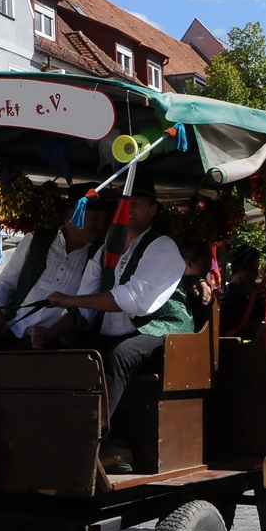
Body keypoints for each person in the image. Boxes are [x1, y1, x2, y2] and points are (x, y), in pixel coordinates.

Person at [43, 175, 190, 474]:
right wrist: (49, 333)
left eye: (137, 204)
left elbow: (134, 299)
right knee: (71, 354)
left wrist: (71, 301)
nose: (130, 210)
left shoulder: (161, 247)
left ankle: (98, 444)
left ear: (153, 210)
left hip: (165, 331)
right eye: (125, 205)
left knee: (119, 356)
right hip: (119, 333)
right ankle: (65, 434)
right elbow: (85, 301)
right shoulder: (106, 249)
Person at [0, 197, 109, 348]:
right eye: (95, 218)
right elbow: (5, 282)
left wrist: (51, 333)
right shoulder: (36, 239)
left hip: (56, 341)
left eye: (105, 220)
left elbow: (85, 308)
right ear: (73, 216)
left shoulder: (100, 254)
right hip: (12, 327)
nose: (101, 225)